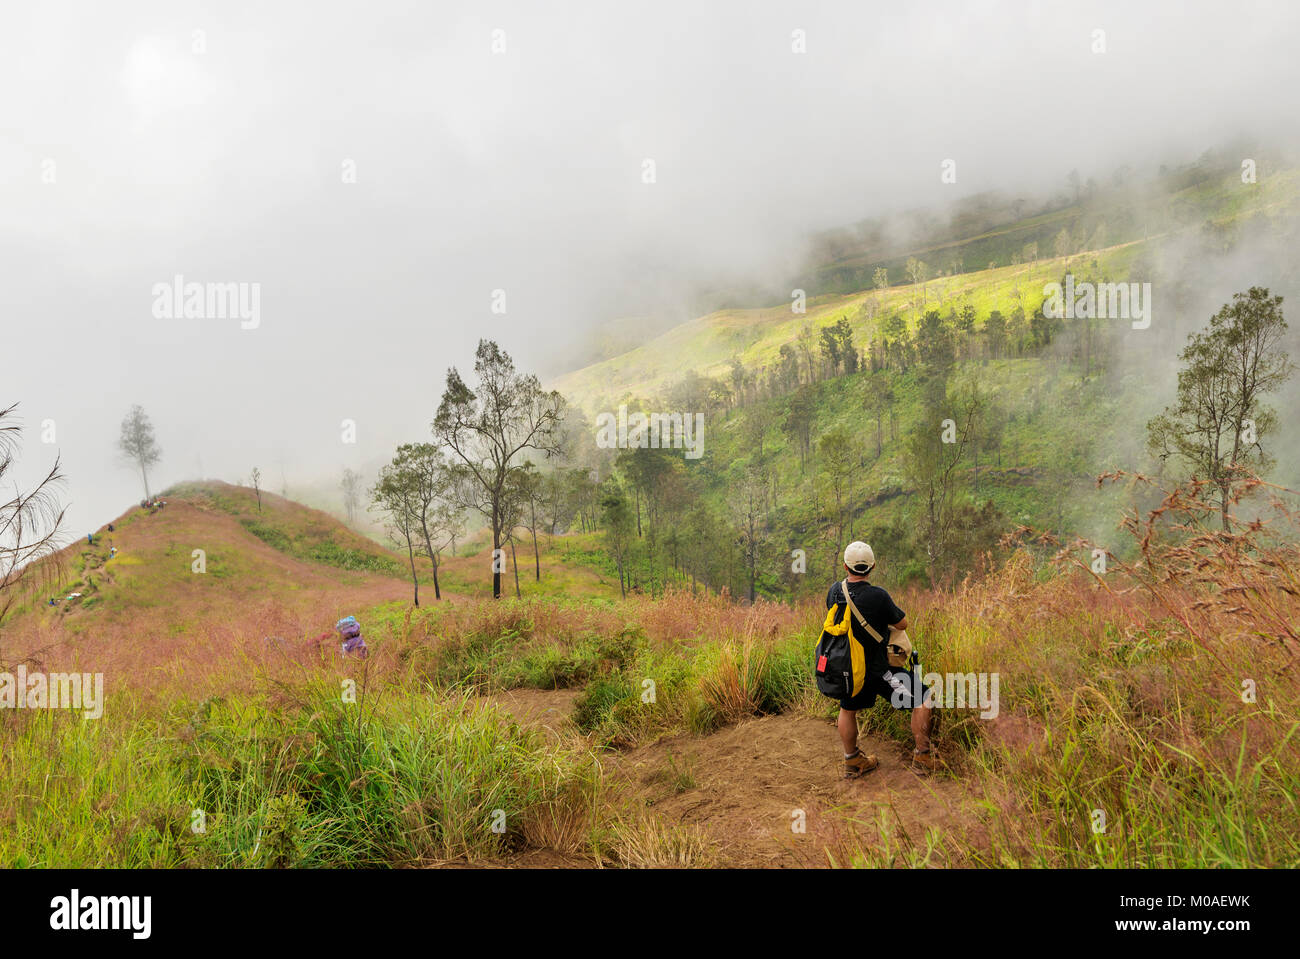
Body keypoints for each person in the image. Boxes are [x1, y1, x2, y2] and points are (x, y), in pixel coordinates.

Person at [828, 541, 940, 778]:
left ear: (845, 566)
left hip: (849, 671)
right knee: (923, 699)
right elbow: (902, 623)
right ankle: (922, 757)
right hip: (881, 671)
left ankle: (852, 760)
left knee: (847, 709)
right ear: (873, 566)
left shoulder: (834, 592)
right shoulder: (878, 595)